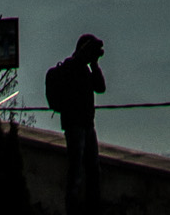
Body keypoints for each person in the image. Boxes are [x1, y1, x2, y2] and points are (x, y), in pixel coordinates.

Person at [50, 33, 105, 215]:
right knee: (77, 173)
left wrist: (95, 65)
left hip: (86, 126)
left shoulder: (84, 70)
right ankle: (74, 209)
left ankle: (89, 208)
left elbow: (100, 88)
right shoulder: (71, 69)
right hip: (76, 127)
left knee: (90, 171)